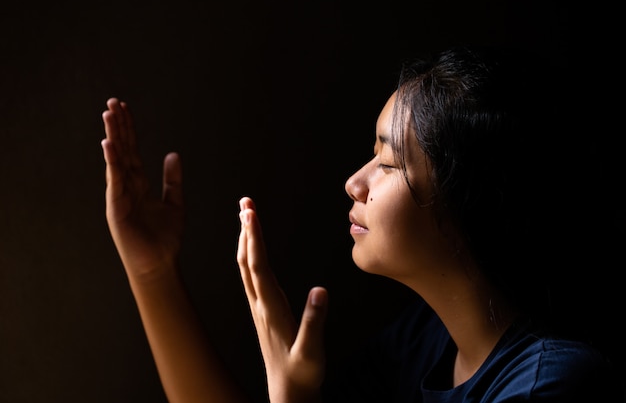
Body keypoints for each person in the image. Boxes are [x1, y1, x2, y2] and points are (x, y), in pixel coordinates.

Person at [100, 45, 624, 403]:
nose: (355, 182)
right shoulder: (425, 343)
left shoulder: (550, 386)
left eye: (390, 163)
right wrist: (151, 271)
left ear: (470, 202)